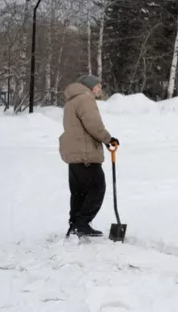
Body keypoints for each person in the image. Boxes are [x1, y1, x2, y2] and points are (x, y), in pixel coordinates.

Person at [59, 75, 119, 237]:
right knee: (97, 187)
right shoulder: (86, 99)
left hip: (74, 154)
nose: (100, 89)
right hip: (85, 153)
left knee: (79, 191)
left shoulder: (71, 101)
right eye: (98, 86)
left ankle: (75, 224)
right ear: (90, 87)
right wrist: (108, 139)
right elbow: (93, 124)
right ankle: (82, 223)